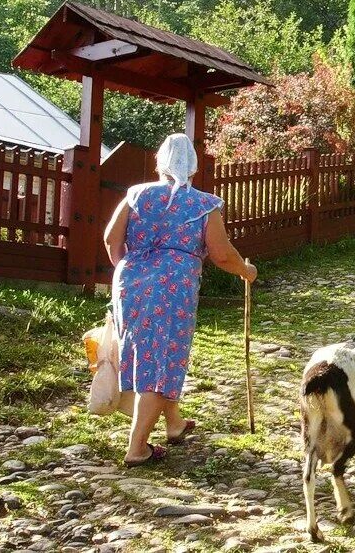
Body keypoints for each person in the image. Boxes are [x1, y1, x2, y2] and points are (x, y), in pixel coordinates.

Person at [104, 133, 257, 466]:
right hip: (173, 287)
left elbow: (110, 239)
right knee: (162, 360)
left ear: (160, 161)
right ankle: (137, 448)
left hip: (130, 283)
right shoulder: (203, 204)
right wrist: (246, 271)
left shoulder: (136, 195)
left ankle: (174, 424)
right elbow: (221, 254)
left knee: (150, 352)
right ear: (193, 167)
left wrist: (129, 271)